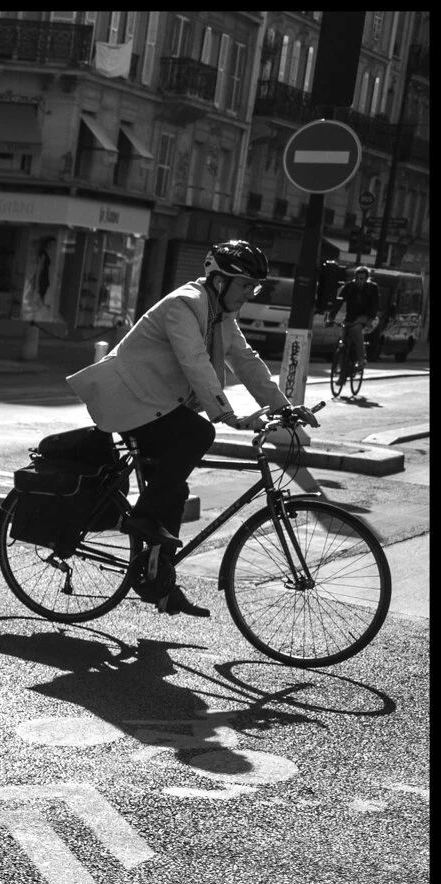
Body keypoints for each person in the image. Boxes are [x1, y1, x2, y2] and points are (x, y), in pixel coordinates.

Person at [66, 240, 316, 617]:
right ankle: (141, 517)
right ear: (219, 282)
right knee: (199, 433)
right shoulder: (184, 304)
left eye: (254, 287)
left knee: (175, 491)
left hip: (156, 405)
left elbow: (246, 362)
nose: (250, 294)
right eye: (246, 285)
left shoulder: (220, 316)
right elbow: (195, 362)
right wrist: (228, 415)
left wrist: (286, 407)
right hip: (130, 401)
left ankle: (159, 584)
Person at [330, 264, 381, 382]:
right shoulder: (349, 287)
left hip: (364, 317)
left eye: (362, 279)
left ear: (366, 278)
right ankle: (343, 373)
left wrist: (370, 319)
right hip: (350, 318)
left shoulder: (372, 288)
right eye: (357, 278)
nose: (359, 281)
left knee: (355, 329)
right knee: (343, 343)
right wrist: (331, 316)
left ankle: (361, 359)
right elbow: (339, 301)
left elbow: (375, 305)